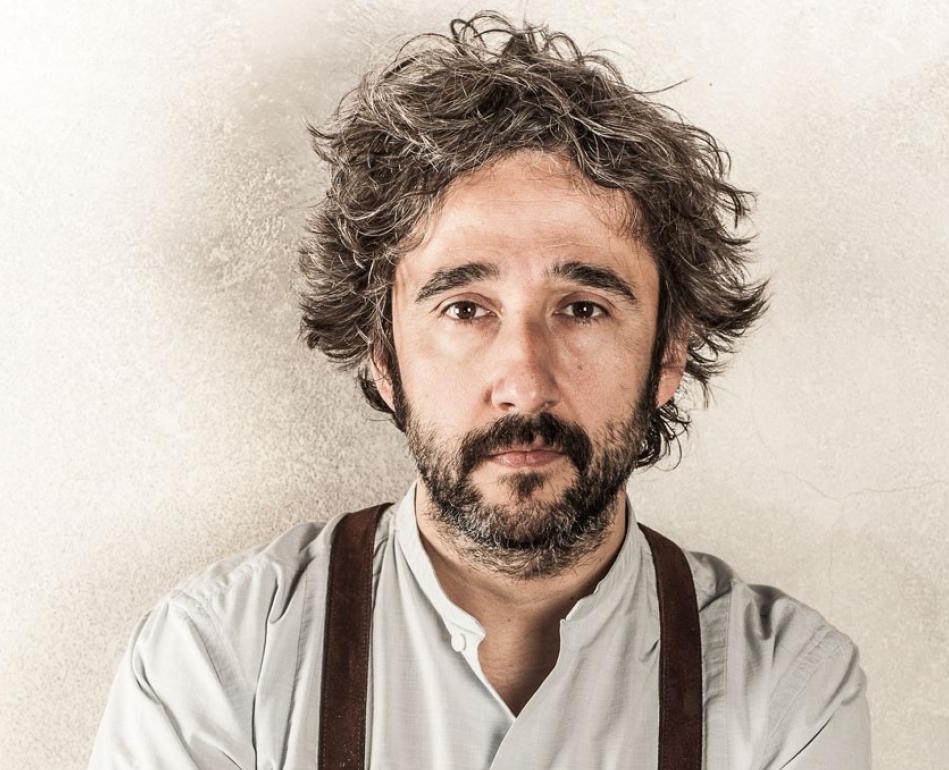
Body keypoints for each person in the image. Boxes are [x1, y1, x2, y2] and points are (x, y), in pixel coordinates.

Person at [88, 12, 870, 769]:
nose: (524, 383)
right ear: (382, 354)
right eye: (466, 309)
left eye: (582, 309)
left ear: (668, 353)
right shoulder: (219, 659)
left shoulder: (785, 687)